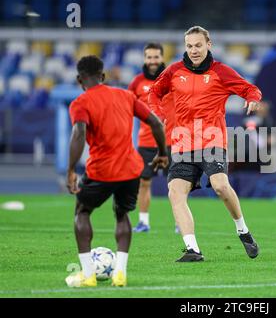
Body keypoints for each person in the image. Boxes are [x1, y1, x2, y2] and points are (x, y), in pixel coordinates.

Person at [149, 26, 262, 262]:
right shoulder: (173, 71)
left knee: (220, 186)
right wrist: (158, 113)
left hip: (212, 139)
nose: (194, 50)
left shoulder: (221, 72)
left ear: (208, 45)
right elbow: (154, 93)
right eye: (189, 46)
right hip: (182, 143)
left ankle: (243, 230)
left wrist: (252, 99)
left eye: (198, 45)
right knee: (175, 193)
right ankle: (192, 249)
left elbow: (250, 89)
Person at [65, 55, 168, 287]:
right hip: (131, 168)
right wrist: (163, 153)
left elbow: (79, 133)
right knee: (122, 214)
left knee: (82, 212)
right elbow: (156, 123)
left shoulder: (80, 103)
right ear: (103, 76)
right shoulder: (126, 95)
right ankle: (120, 274)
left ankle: (88, 275)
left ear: (80, 80)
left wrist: (71, 169)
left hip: (102, 169)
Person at [128, 42, 178, 233]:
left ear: (162, 58)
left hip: (171, 141)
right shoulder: (137, 82)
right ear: (144, 59)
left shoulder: (172, 80)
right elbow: (127, 107)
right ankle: (143, 222)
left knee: (176, 184)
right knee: (144, 182)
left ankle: (179, 223)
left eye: (156, 57)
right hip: (146, 142)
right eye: (149, 57)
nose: (152, 61)